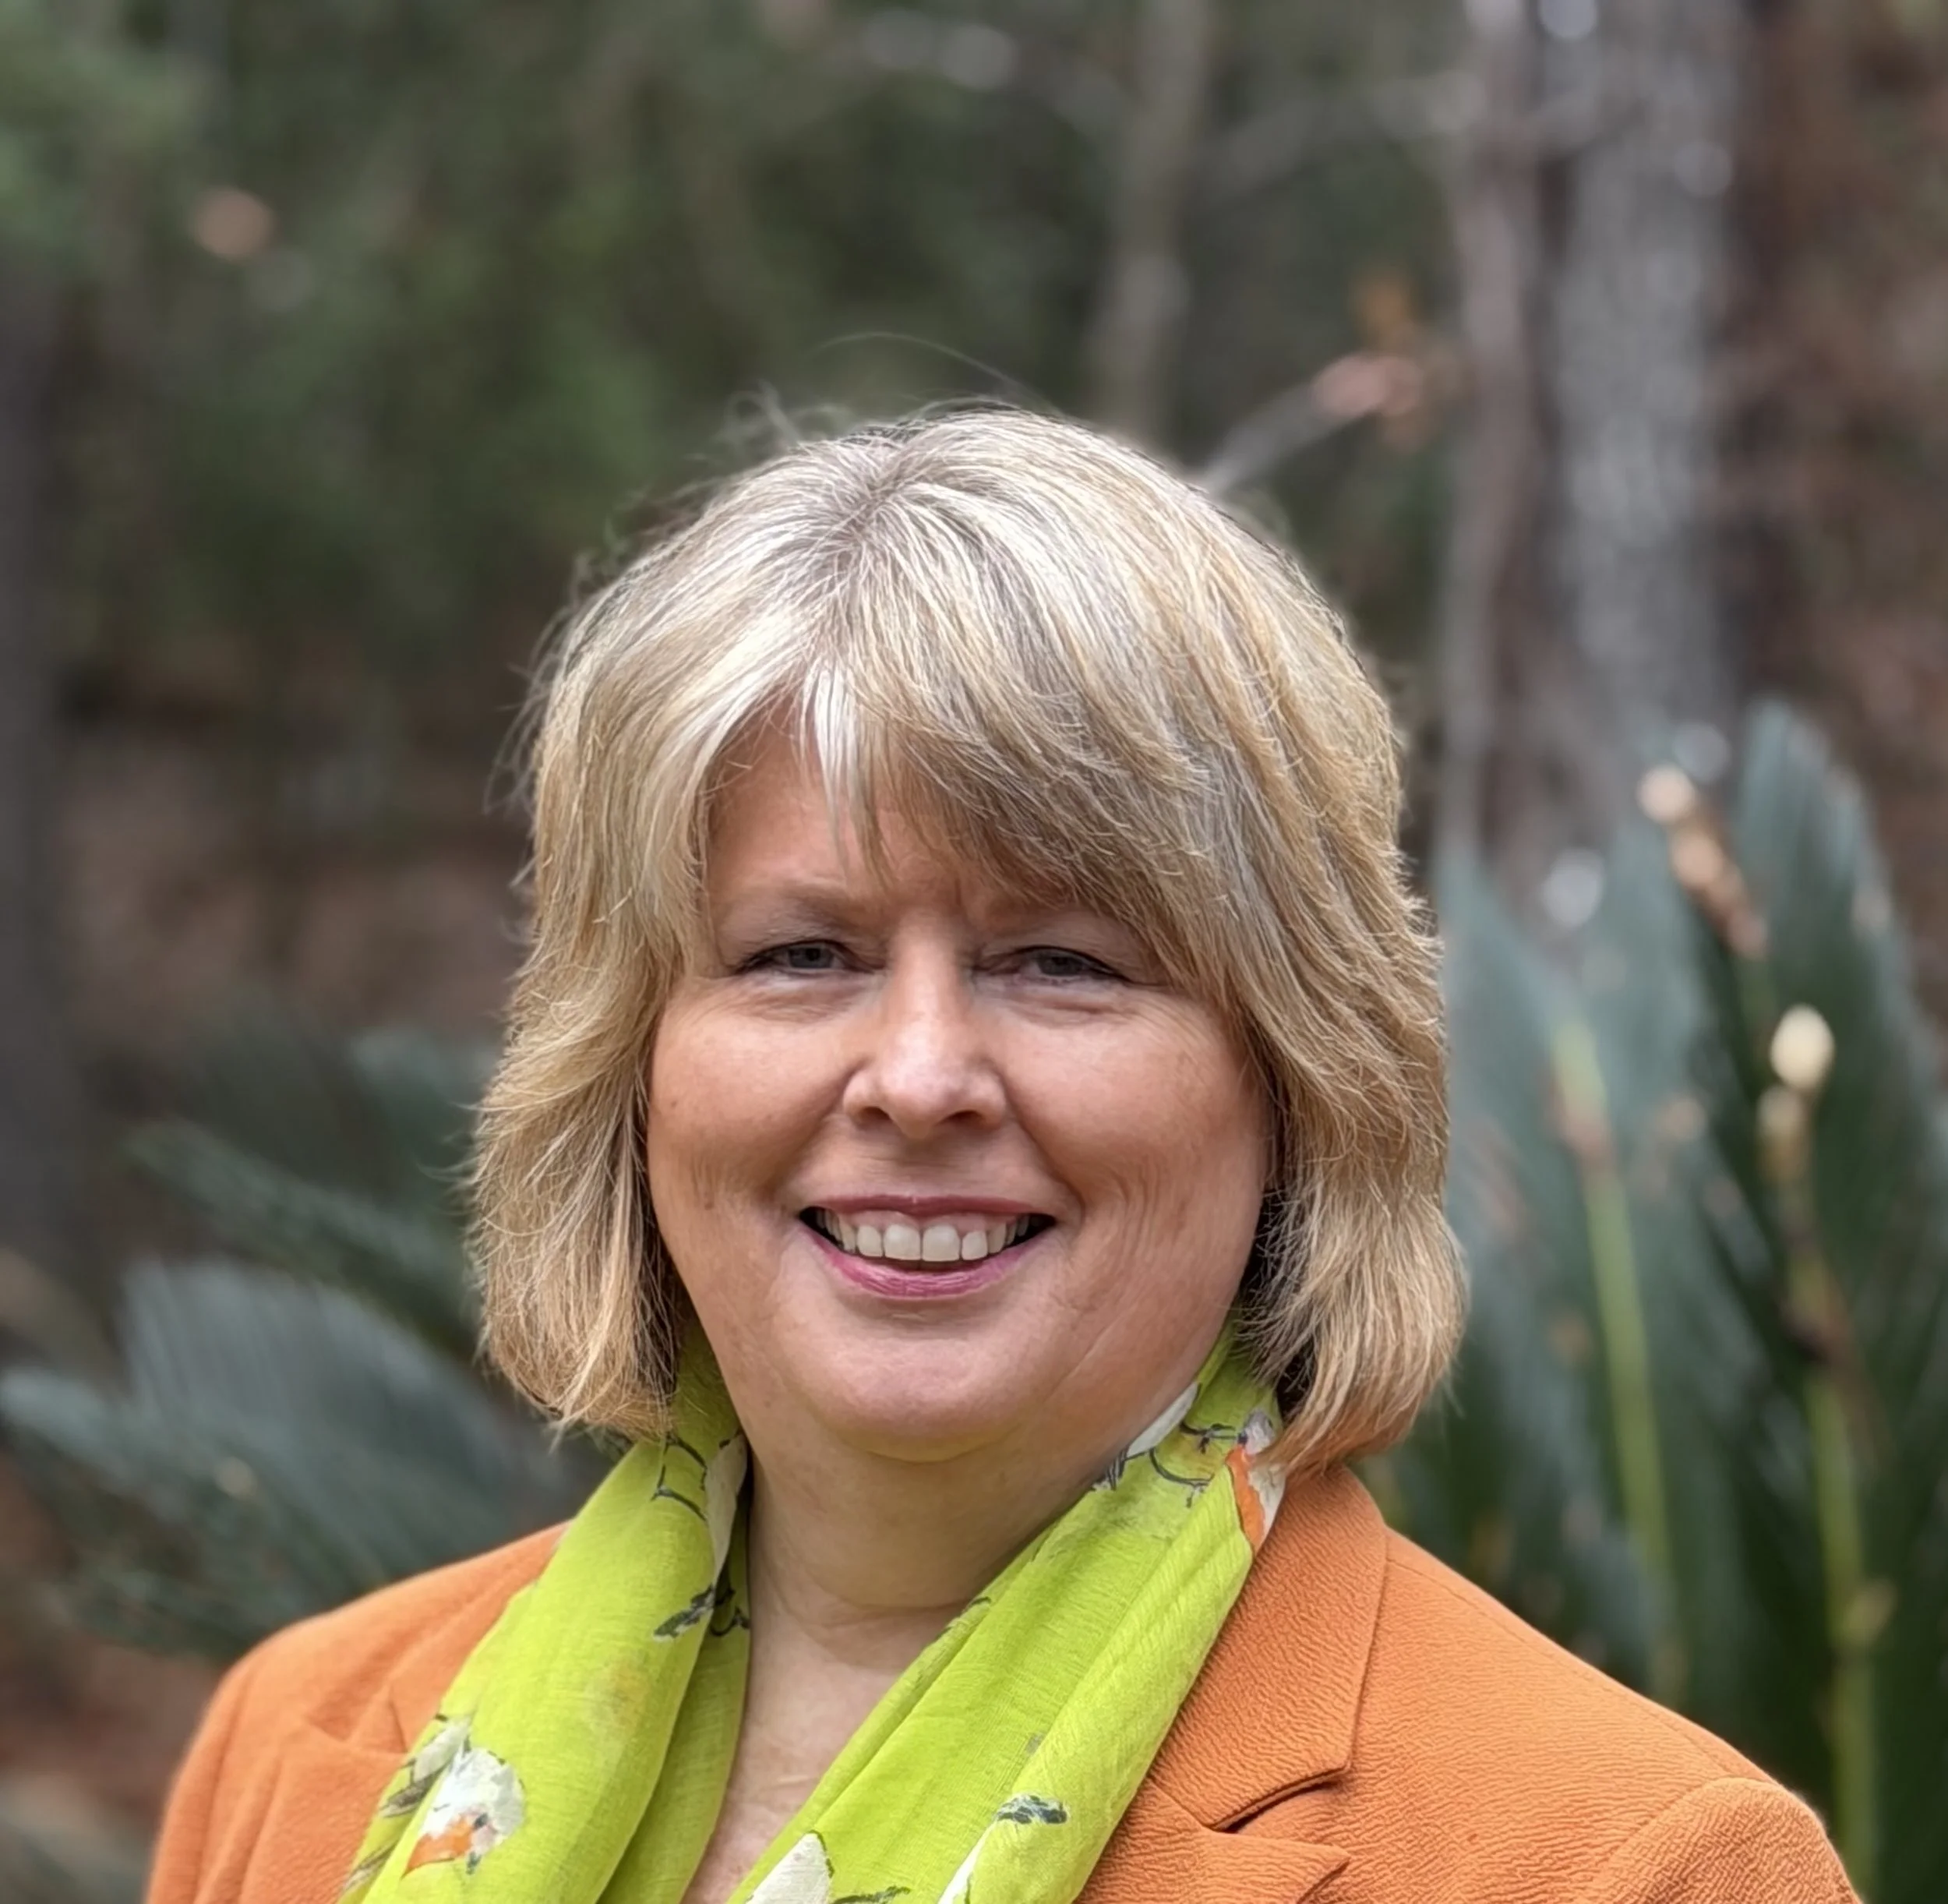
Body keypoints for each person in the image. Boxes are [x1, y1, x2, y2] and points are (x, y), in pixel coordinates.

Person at [147, 410, 1856, 1904]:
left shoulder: (1622, 1867)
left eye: (1062, 963)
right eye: (797, 955)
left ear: (1294, 1074)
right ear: (630, 1068)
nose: (916, 1076)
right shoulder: (297, 1744)